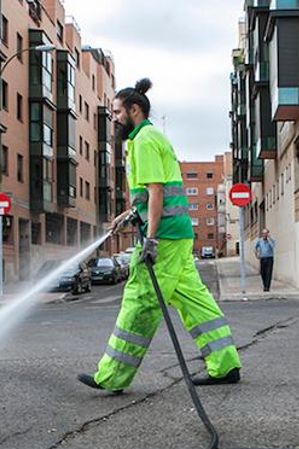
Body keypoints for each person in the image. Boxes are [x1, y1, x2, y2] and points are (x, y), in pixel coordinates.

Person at [78, 78, 242, 393]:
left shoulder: (143, 140)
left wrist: (150, 239)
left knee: (140, 300)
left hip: (164, 237)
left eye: (116, 112)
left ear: (134, 110)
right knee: (194, 300)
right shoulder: (151, 137)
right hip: (177, 234)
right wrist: (130, 215)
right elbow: (151, 194)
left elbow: (157, 191)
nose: (113, 119)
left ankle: (112, 376)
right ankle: (225, 364)